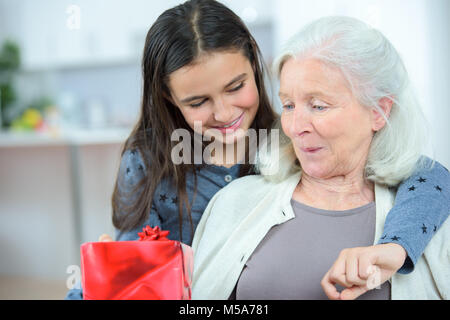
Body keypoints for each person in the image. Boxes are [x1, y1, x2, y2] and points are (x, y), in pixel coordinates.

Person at [66, 1, 448, 300]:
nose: (225, 113)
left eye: (236, 87)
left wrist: (397, 247)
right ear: (170, 98)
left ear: (254, 62)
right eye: (198, 101)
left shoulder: (284, 138)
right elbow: (129, 269)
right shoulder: (150, 160)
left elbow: (428, 175)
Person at [191, 16, 450, 300]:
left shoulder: (428, 218)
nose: (294, 126)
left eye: (318, 106)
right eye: (288, 104)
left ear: (378, 112)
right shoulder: (234, 202)